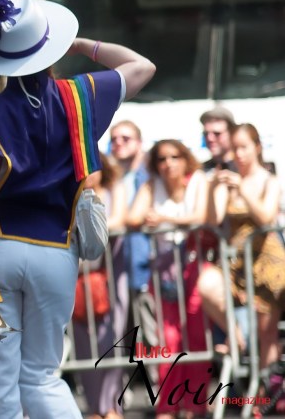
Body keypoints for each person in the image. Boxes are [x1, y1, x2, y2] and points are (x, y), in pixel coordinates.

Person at [0, 0, 156, 418]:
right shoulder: (81, 95)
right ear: (49, 47)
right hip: (57, 251)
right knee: (42, 376)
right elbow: (141, 66)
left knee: (0, 376)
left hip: (0, 250)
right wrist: (82, 45)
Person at [126, 139, 209, 419]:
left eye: (174, 157)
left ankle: (196, 405)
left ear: (186, 159)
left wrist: (161, 218)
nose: (168, 163)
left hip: (194, 268)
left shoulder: (198, 180)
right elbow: (132, 218)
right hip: (164, 272)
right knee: (167, 340)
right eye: (161, 159)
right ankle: (169, 406)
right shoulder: (152, 185)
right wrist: (150, 214)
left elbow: (200, 217)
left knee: (195, 338)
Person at [198, 124, 283, 371]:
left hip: (267, 264)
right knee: (207, 284)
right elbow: (213, 220)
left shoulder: (269, 180)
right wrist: (213, 187)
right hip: (236, 263)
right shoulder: (230, 180)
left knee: (267, 333)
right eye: (235, 149)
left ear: (257, 147)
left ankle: (266, 388)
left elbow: (266, 218)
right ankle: (236, 336)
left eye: (244, 147)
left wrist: (243, 188)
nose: (239, 154)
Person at [71, 154, 128, 419]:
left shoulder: (115, 189)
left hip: (113, 275)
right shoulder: (72, 195)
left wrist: (91, 228)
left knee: (112, 341)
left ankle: (111, 406)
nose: (89, 174)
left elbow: (120, 219)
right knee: (84, 345)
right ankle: (95, 407)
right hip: (80, 278)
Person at [110, 120, 158, 347]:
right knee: (123, 337)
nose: (118, 143)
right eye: (114, 139)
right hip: (116, 266)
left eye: (125, 138)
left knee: (151, 334)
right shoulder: (111, 176)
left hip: (145, 263)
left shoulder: (149, 174)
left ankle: (158, 371)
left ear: (139, 143)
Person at [200, 106, 237, 174]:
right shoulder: (200, 171)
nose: (210, 138)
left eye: (217, 134)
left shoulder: (244, 168)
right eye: (206, 134)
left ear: (232, 134)